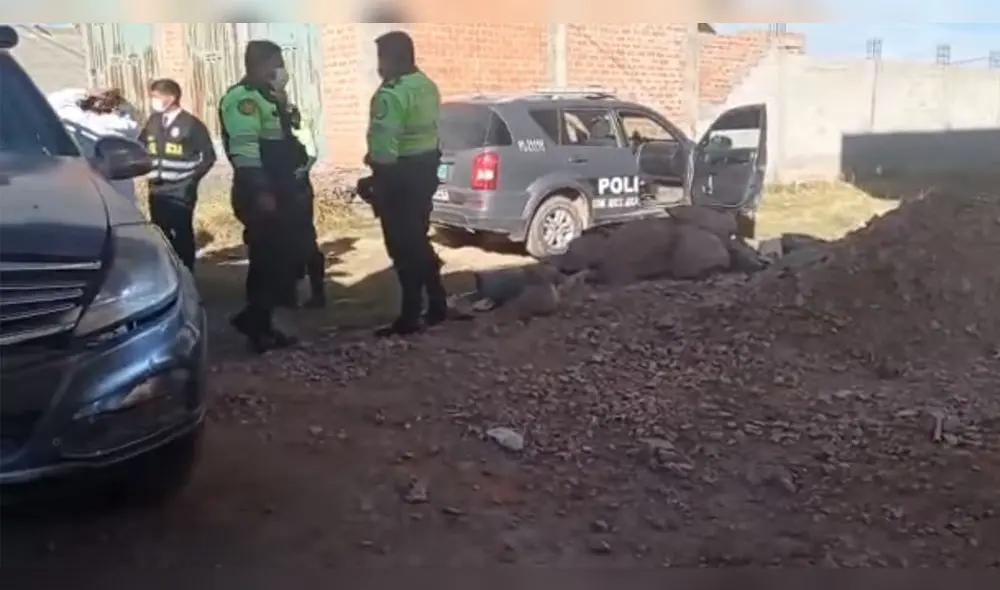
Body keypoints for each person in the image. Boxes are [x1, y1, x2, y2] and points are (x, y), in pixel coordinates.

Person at [219, 39, 307, 353]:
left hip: (280, 188)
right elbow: (245, 151)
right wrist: (261, 191)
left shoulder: (268, 97)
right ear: (262, 63)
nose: (281, 70)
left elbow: (285, 139)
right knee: (267, 259)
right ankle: (258, 325)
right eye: (277, 63)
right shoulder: (242, 99)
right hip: (259, 191)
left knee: (280, 258)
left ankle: (260, 319)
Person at [364, 30, 448, 337]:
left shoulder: (391, 93)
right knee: (418, 239)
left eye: (381, 58)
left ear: (391, 58)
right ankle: (437, 302)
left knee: (401, 246)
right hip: (424, 172)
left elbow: (385, 147)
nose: (379, 65)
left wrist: (376, 181)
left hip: (397, 177)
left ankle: (410, 315)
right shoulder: (426, 85)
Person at [141, 78, 217, 271]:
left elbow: (208, 156)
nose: (154, 101)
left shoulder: (191, 124)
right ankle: (167, 272)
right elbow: (141, 145)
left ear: (172, 97)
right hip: (157, 188)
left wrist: (191, 180)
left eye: (158, 97)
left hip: (180, 189)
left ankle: (186, 273)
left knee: (181, 232)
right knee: (160, 232)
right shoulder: (153, 121)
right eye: (153, 97)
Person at [47, 87, 141, 204]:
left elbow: (52, 101)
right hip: (121, 195)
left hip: (87, 190)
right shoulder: (129, 128)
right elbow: (130, 114)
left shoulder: (83, 120)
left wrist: (85, 92)